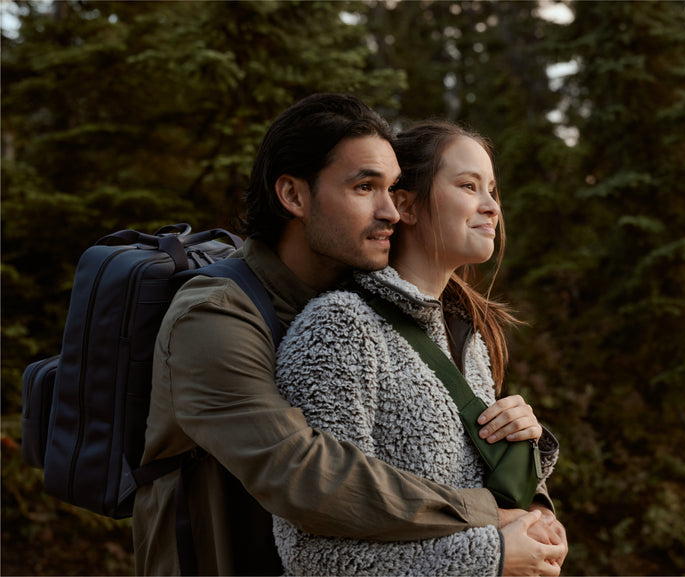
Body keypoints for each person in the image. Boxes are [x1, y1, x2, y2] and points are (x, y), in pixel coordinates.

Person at [133, 94, 566, 575]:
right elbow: (306, 477)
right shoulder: (214, 317)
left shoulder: (375, 305)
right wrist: (486, 516)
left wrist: (531, 496)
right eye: (364, 188)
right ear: (294, 196)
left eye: (393, 189)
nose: (391, 211)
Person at [273, 120, 565, 576]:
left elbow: (479, 504)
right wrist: (492, 559)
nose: (492, 207)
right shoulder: (339, 329)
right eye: (469, 186)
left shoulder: (467, 336)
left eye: (493, 190)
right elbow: (313, 557)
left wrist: (534, 498)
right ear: (406, 205)